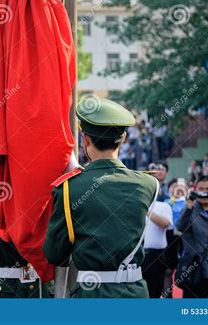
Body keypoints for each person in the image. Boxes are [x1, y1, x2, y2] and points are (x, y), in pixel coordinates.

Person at [43, 97, 159, 298]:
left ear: (85, 139)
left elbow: (55, 253)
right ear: (122, 139)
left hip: (92, 294)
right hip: (135, 293)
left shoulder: (69, 188)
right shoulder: (148, 183)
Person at [142, 198, 172, 298]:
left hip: (155, 256)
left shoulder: (163, 206)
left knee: (154, 292)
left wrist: (145, 209)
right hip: (135, 256)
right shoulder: (132, 205)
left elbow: (165, 224)